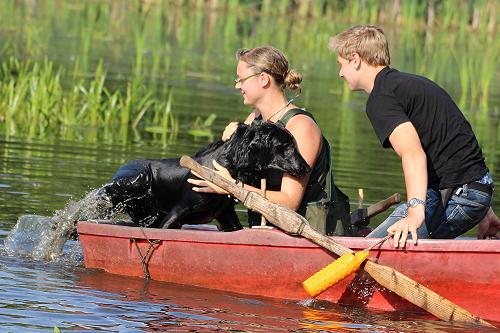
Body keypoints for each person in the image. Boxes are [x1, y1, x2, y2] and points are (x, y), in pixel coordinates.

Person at [329, 25, 495, 247]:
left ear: (356, 59)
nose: (340, 73)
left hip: (461, 194)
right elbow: (452, 147)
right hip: (472, 189)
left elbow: (413, 154)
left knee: (372, 252)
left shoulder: (381, 97)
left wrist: (416, 214)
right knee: (380, 240)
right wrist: (484, 210)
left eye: (341, 65)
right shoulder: (408, 84)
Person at [188, 45, 348, 234]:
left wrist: (231, 187)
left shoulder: (300, 126)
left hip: (311, 235)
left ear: (263, 79)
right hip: (266, 231)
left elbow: (289, 202)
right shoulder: (253, 120)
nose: (237, 85)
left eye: (241, 79)